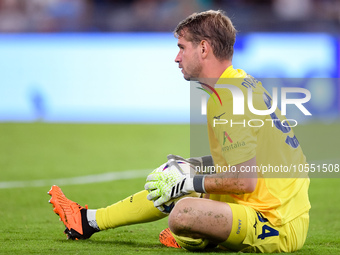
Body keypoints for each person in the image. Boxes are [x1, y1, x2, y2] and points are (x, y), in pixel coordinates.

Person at [48, 10, 310, 253]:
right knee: (180, 174)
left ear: (204, 48)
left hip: (275, 222)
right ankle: (88, 220)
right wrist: (195, 166)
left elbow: (245, 181)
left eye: (182, 48)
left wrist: (189, 181)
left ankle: (198, 236)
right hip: (285, 211)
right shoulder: (239, 82)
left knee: (183, 213)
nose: (176, 57)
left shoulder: (229, 99)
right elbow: (259, 157)